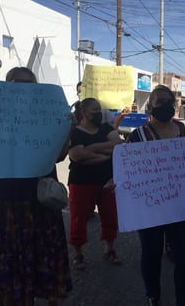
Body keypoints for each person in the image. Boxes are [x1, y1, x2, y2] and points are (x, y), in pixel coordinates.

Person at [0, 67, 72, 306]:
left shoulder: (48, 115)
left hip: (39, 200)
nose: (22, 87)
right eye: (16, 82)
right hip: (5, 200)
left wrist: (65, 130)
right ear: (6, 86)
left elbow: (60, 156)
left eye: (29, 83)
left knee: (44, 257)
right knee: (8, 260)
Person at [126, 85, 185, 306]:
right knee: (151, 254)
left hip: (180, 208)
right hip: (150, 209)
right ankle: (153, 294)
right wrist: (119, 180)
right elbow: (127, 167)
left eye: (169, 101)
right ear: (150, 106)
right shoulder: (138, 136)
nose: (166, 105)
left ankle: (183, 300)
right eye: (160, 101)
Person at [68, 97, 123, 270]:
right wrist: (106, 155)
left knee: (110, 216)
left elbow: (118, 144)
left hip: (108, 181)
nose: (99, 113)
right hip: (81, 183)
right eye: (94, 110)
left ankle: (109, 249)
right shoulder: (75, 132)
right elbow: (77, 156)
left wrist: (91, 148)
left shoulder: (106, 127)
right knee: (79, 218)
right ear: (84, 112)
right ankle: (78, 254)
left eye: (99, 109)